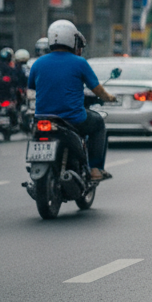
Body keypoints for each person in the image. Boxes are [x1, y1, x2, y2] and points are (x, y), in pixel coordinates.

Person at [26, 20, 116, 181]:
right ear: (71, 40)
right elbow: (96, 89)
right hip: (72, 119)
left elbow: (32, 86)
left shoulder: (38, 63)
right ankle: (95, 168)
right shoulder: (79, 62)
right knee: (98, 124)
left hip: (42, 118)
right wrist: (108, 97)